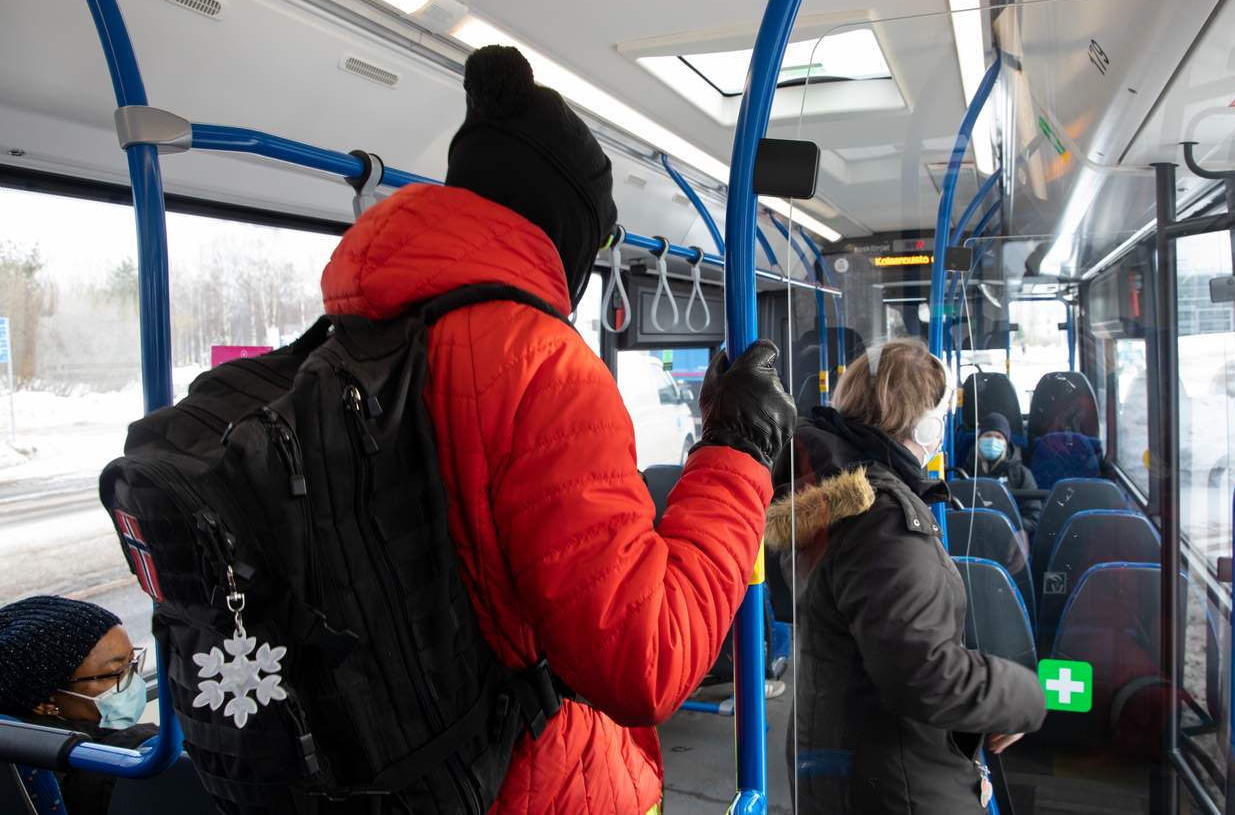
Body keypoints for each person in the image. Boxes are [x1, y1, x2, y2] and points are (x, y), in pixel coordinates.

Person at [320, 45, 796, 815]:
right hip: (519, 781)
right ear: (568, 229)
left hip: (383, 764)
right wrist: (739, 452)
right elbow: (644, 660)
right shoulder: (542, 365)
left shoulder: (347, 336)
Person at [765, 339, 1045, 814]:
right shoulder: (884, 517)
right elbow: (923, 672)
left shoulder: (822, 488)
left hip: (842, 759)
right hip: (895, 786)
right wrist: (1024, 696)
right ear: (926, 423)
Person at [0, 596, 155, 815]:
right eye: (115, 673)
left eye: (133, 661)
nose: (134, 680)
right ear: (46, 703)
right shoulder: (135, 762)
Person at [965, 411, 1041, 535]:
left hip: (1010, 540)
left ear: (1006, 442)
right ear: (979, 439)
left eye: (998, 437)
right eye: (988, 435)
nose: (993, 441)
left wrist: (1009, 529)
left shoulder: (1020, 473)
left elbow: (1033, 516)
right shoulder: (967, 471)